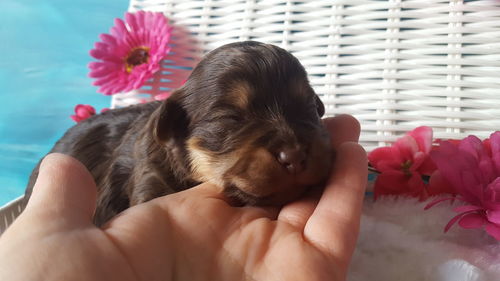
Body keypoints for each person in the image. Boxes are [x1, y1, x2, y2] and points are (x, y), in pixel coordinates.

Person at [0, 115, 367, 281]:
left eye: (303, 112)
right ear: (175, 132)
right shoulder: (153, 185)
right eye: (233, 123)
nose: (291, 149)